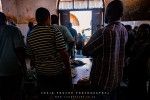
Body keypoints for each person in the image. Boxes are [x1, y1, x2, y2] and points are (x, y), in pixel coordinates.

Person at [82, 0, 128, 100]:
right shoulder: (124, 30)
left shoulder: (103, 32)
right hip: (116, 81)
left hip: (102, 82)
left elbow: (85, 51)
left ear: (109, 12)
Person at [26, 7, 72, 100]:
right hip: (57, 72)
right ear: (48, 18)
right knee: (62, 96)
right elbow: (63, 53)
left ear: (36, 19)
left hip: (42, 74)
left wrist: (38, 66)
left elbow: (31, 55)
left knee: (44, 96)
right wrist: (68, 69)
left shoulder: (30, 35)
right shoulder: (54, 32)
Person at [0, 12, 26, 100]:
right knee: (14, 94)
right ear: (5, 20)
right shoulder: (13, 30)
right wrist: (23, 65)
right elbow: (19, 49)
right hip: (12, 70)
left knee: (3, 95)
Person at [126, 24, 150, 100]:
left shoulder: (148, 44)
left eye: (145, 31)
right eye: (141, 31)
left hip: (142, 71)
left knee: (141, 91)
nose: (143, 33)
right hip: (132, 70)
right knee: (132, 90)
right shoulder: (136, 42)